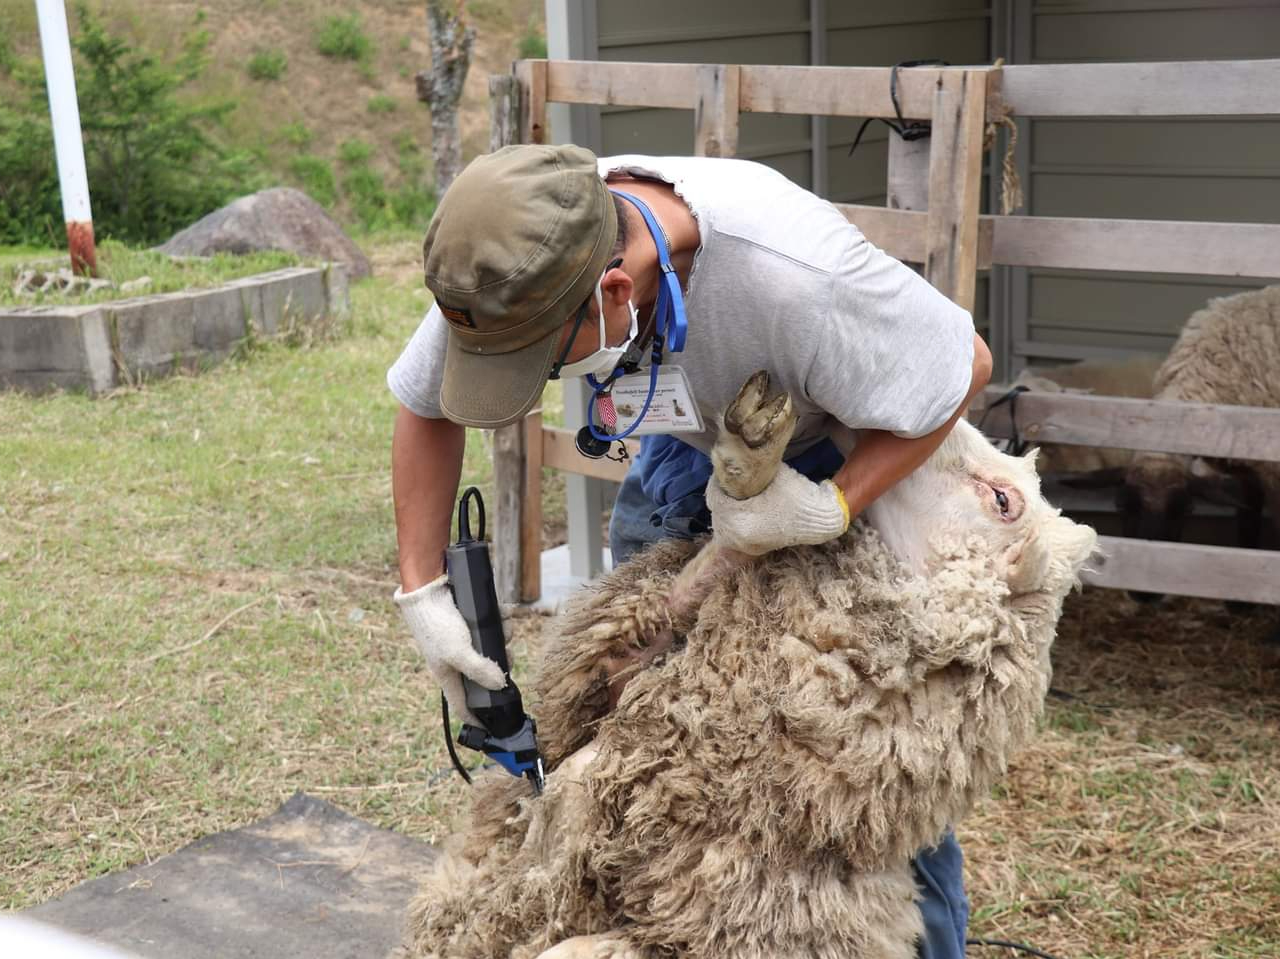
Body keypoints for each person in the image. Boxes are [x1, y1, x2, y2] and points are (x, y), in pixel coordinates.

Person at [387, 143, 992, 959]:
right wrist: (423, 593)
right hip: (686, 437)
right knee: (639, 703)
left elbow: (962, 370)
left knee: (843, 761)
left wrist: (829, 504)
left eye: (535, 364)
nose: (527, 380)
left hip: (830, 456)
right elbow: (428, 404)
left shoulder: (795, 278)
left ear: (611, 291)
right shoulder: (508, 256)